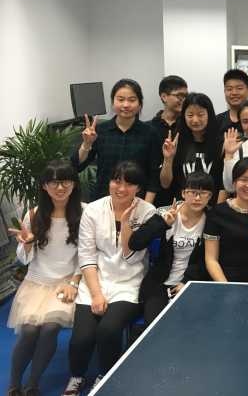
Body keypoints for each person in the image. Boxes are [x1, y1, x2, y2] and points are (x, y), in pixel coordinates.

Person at [63, 161, 156, 394]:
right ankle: (76, 376)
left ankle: (105, 375)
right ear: (109, 182)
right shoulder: (93, 210)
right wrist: (96, 294)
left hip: (129, 282)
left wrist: (125, 224)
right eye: (117, 181)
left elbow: (131, 257)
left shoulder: (148, 212)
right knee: (81, 338)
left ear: (138, 188)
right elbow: (86, 255)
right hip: (95, 281)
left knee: (108, 331)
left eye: (129, 183)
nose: (121, 188)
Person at [6, 160, 83, 396]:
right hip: (36, 282)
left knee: (50, 328)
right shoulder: (33, 215)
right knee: (29, 331)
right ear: (44, 186)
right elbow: (24, 259)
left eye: (65, 181)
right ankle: (13, 385)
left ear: (74, 184)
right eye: (53, 182)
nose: (60, 188)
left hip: (66, 282)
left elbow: (88, 254)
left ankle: (33, 384)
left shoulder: (86, 212)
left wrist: (74, 282)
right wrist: (28, 244)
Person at [128, 171, 214, 325]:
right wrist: (163, 224)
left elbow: (207, 259)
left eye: (203, 193)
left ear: (210, 196)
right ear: (183, 193)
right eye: (192, 192)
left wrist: (187, 282)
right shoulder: (164, 213)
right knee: (155, 324)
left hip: (192, 284)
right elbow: (135, 243)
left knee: (193, 324)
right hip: (160, 283)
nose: (197, 198)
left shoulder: (212, 220)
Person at [72, 78, 161, 202]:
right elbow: (76, 165)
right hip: (103, 199)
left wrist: (146, 207)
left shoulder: (150, 133)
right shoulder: (100, 130)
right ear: (113, 103)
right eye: (120, 99)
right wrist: (86, 144)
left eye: (132, 100)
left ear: (140, 104)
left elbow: (154, 176)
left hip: (136, 201)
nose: (126, 105)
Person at [159, 92, 226, 205]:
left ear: (209, 115)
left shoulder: (221, 143)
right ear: (183, 116)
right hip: (182, 207)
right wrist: (168, 159)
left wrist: (218, 211)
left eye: (200, 115)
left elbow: (223, 186)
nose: (195, 120)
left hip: (211, 208)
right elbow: (165, 184)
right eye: (190, 115)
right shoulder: (175, 142)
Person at [147, 75, 188, 208]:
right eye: (179, 95)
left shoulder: (189, 126)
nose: (183, 100)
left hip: (185, 193)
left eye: (185, 96)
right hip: (154, 194)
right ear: (164, 97)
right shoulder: (149, 128)